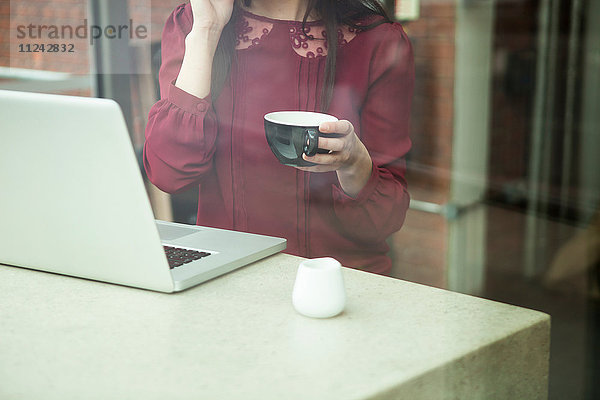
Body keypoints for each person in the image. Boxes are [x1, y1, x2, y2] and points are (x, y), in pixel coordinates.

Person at [144, 0, 414, 275]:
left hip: (337, 286)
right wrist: (206, 30)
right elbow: (170, 174)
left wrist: (354, 162)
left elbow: (386, 219)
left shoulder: (377, 39)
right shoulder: (196, 23)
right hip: (229, 282)